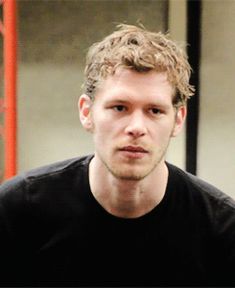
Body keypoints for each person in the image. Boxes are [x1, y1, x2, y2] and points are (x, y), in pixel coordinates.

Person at [0, 23, 234, 287]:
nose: (136, 127)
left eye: (155, 110)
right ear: (86, 112)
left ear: (178, 120)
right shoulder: (19, 210)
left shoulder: (221, 229)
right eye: (119, 107)